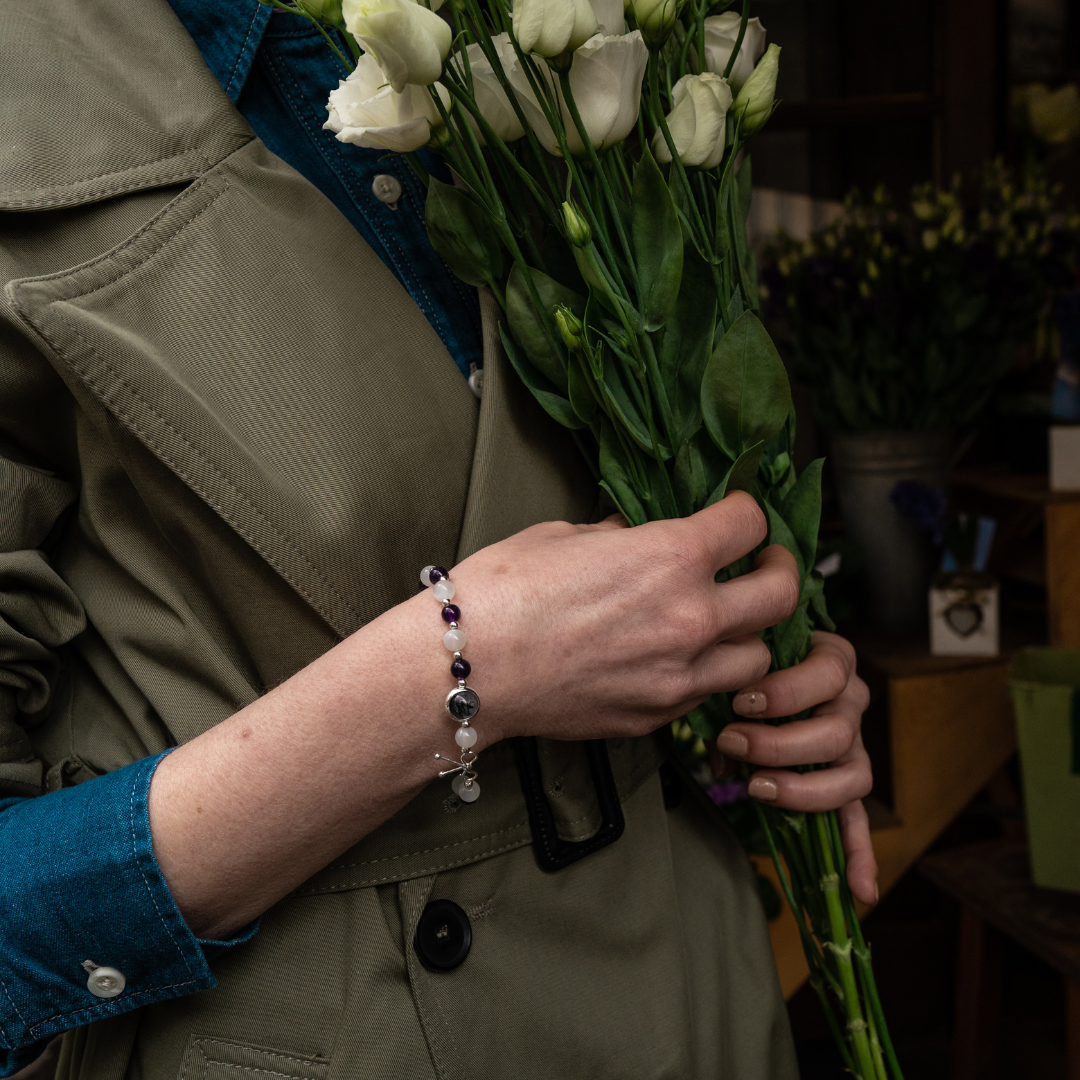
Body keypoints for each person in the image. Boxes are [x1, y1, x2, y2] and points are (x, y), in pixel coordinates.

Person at [0, 1, 876, 1077]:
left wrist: (756, 663)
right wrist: (468, 666)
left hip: (695, 987)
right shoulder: (33, 99)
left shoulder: (522, 32)